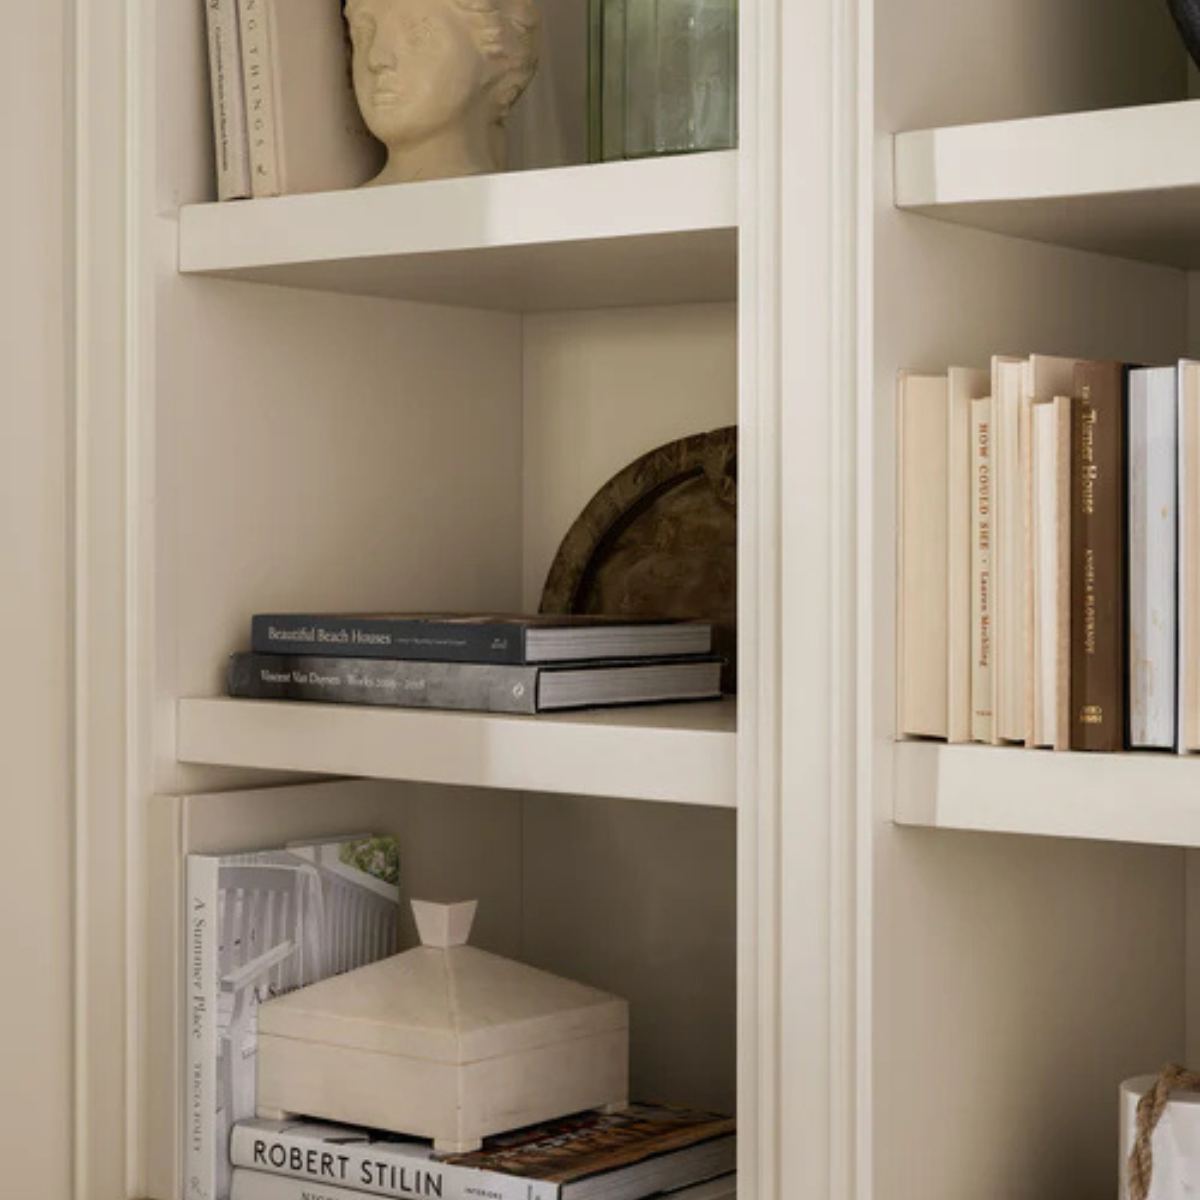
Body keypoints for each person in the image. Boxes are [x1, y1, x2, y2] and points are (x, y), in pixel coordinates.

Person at [345, 0, 540, 185]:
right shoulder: (342, 207)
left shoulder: (529, 202)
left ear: (497, 54)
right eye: (364, 36)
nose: (376, 59)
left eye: (417, 35)